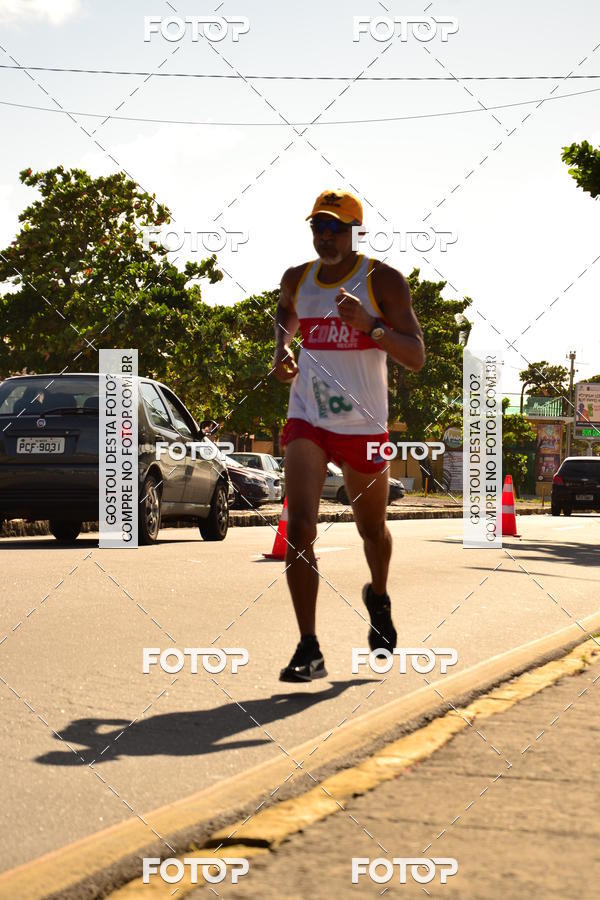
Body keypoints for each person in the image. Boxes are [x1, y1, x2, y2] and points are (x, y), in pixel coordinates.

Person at [273, 189, 426, 682]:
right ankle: (309, 647)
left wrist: (372, 326)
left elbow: (416, 355)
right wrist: (282, 350)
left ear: (356, 231)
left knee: (372, 531)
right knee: (300, 529)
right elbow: (284, 313)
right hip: (309, 419)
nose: (326, 236)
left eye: (336, 227)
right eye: (318, 226)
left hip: (364, 426)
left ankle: (378, 596)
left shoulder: (383, 281)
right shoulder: (298, 279)